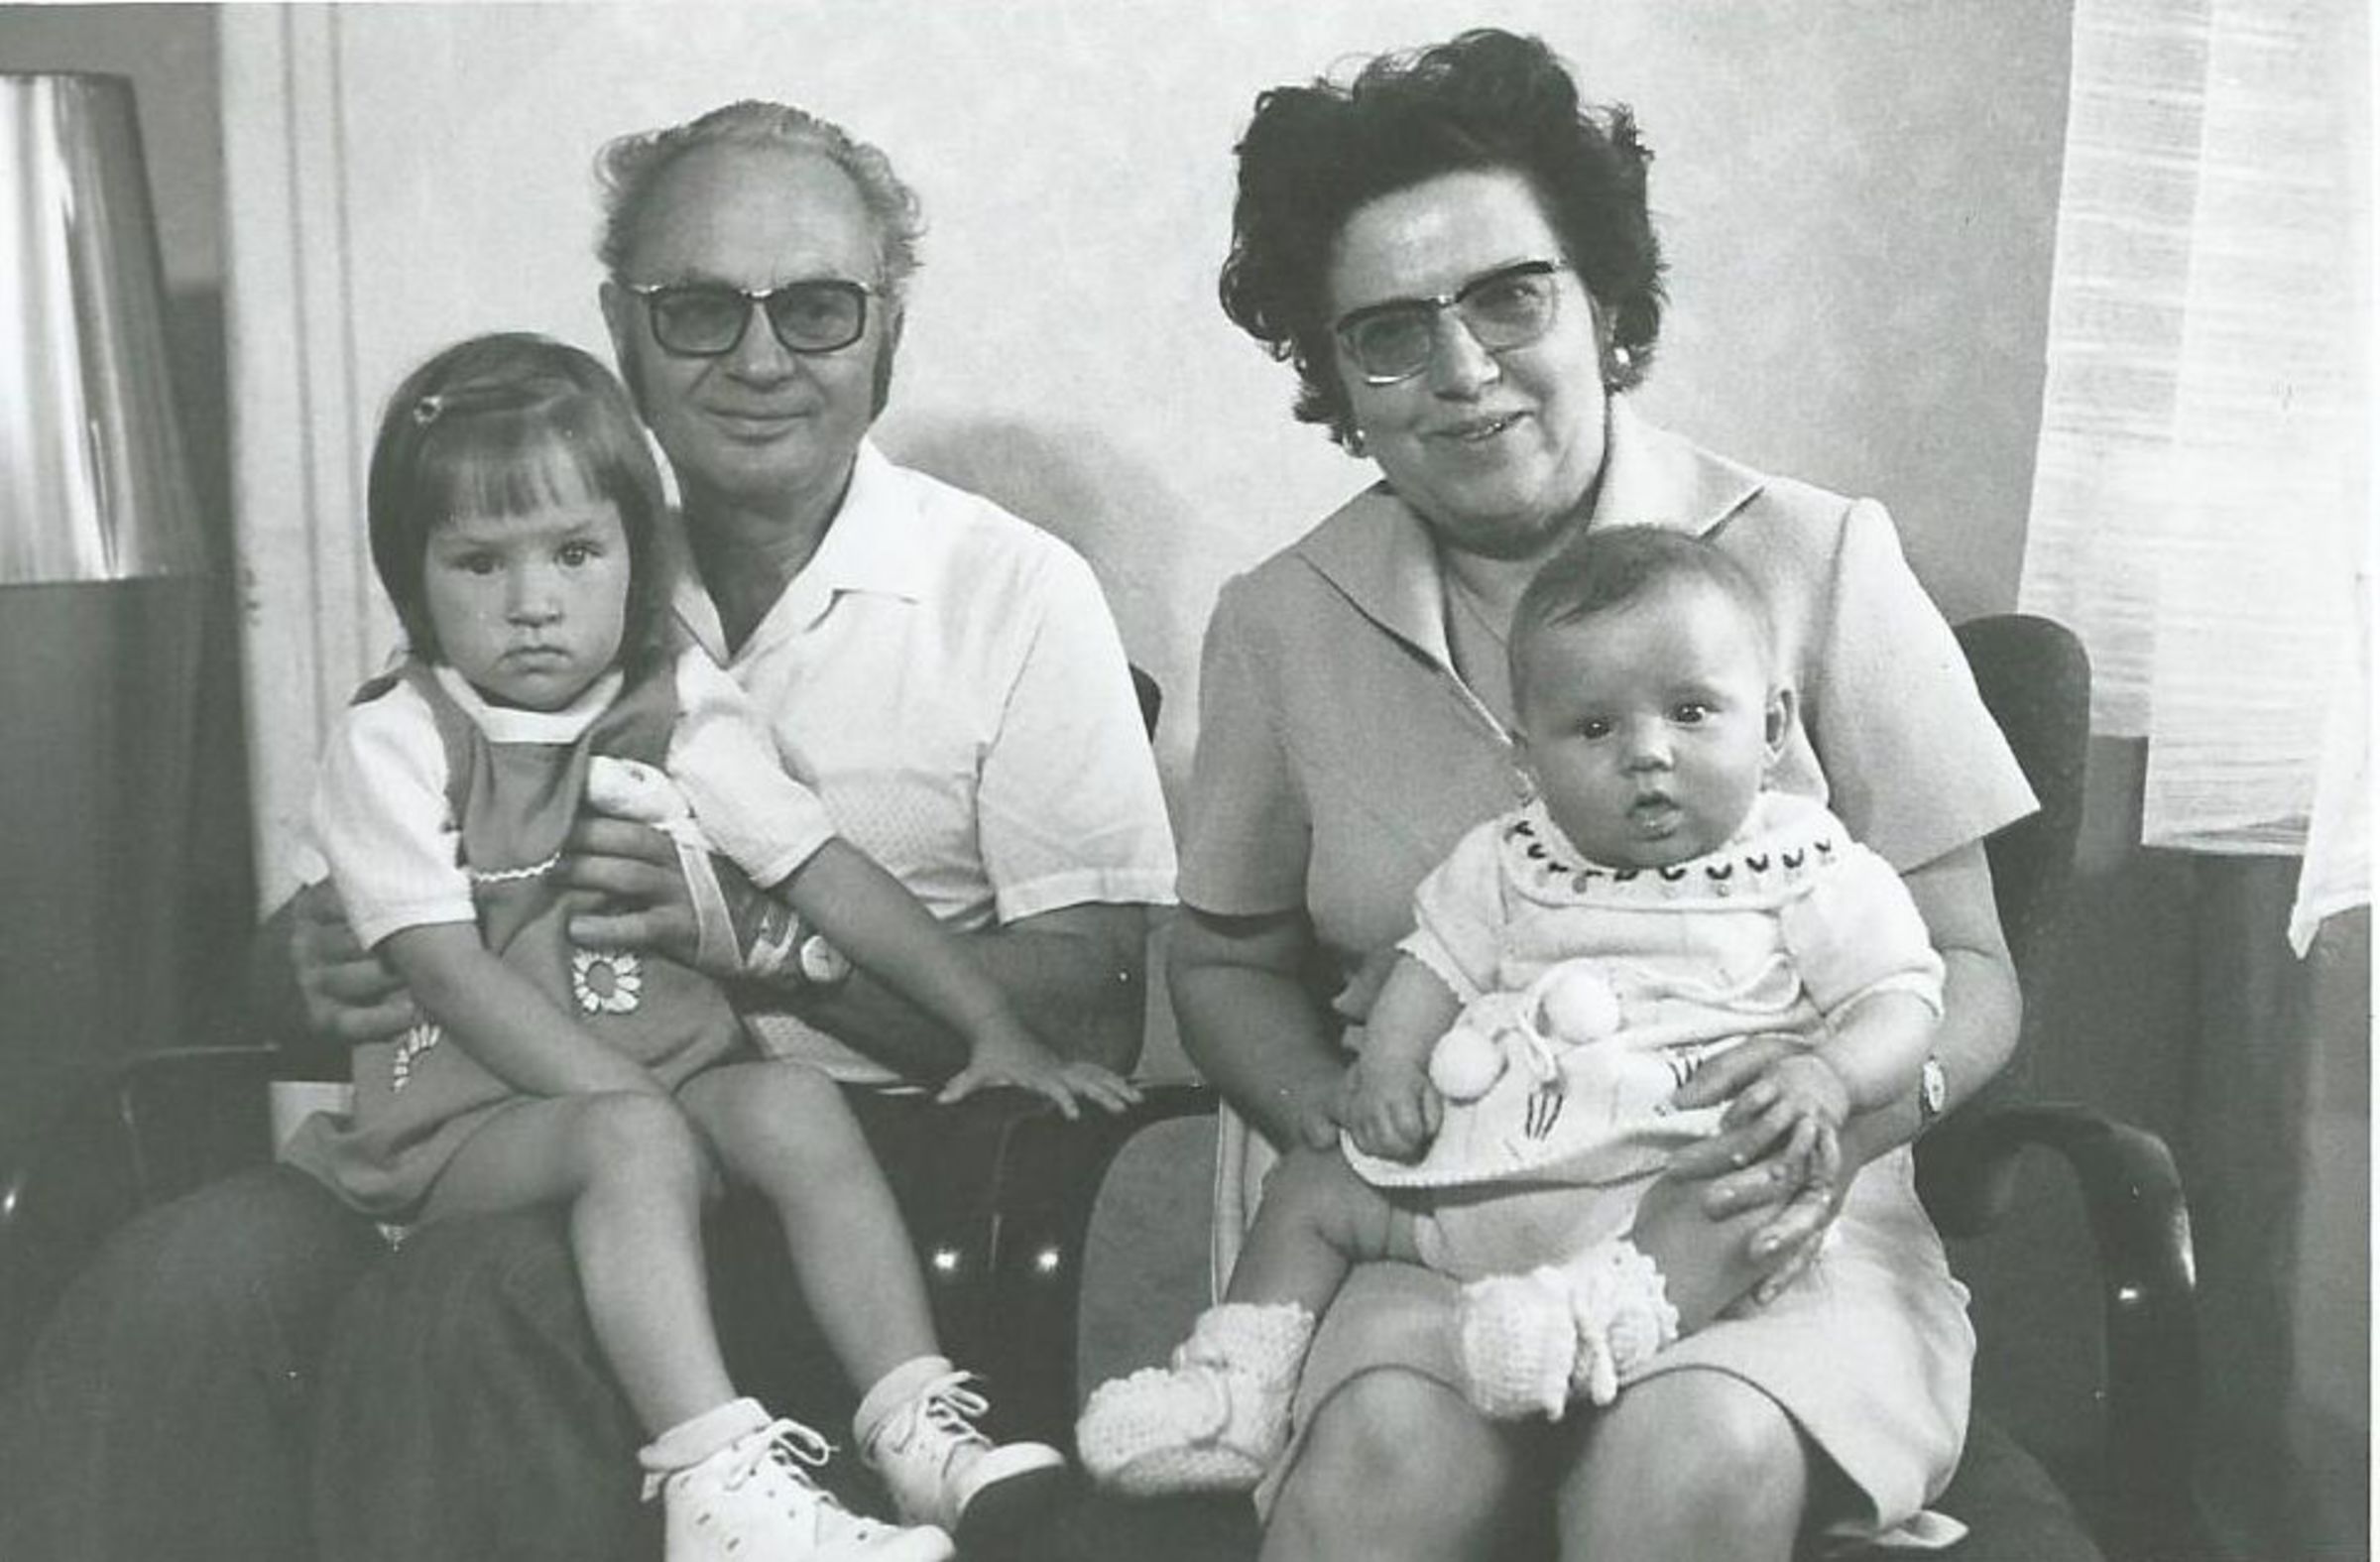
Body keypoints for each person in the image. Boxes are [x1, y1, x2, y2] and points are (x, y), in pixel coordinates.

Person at [0, 101, 1176, 1562]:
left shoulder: (1012, 592)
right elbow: (332, 932)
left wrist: (766, 950)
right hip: (489, 1127)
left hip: (827, 1179)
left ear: (888, 329)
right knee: (186, 1273)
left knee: (471, 1298)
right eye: (698, 309)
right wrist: (311, 962)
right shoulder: (537, 556)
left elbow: (1089, 1008)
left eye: (816, 307)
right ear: (623, 330)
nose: (760, 358)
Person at [1162, 29, 2034, 1561]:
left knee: (1690, 1452)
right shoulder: (1281, 618)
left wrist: (1838, 1114)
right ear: (1336, 379)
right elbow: (1222, 957)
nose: (1462, 369)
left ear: (1606, 308)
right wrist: (1348, 1116)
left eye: (1511, 296)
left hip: (1772, 1219)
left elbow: (1968, 960)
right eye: (1389, 334)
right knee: (1379, 1467)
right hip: (1453, 1219)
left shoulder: (1816, 553)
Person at [291, 329, 1142, 1560]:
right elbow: (443, 970)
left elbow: (819, 869)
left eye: (574, 554)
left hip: (655, 1098)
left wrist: (991, 1025)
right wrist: (640, 1109)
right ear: (411, 579)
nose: (533, 604)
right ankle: (714, 1479)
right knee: (631, 1139)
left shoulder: (673, 702)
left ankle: (913, 1423)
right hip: (464, 1123)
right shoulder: (398, 736)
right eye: (478, 563)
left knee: (792, 1101)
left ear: (635, 558)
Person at [1079, 527, 1964, 1550]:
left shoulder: (1805, 866)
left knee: (1748, 1190)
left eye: (1690, 713)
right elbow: (1433, 965)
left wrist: (1832, 1075)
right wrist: (1390, 1068)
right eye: (1593, 728)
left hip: (1678, 1177)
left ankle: (1597, 1316)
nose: (1647, 753)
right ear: (1527, 757)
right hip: (1498, 1175)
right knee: (1320, 1185)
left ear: (1771, 727)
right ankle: (1235, 1382)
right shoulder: (1511, 860)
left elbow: (1905, 995)